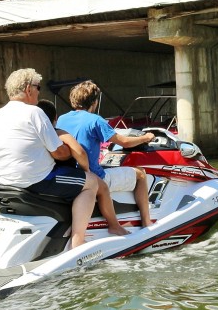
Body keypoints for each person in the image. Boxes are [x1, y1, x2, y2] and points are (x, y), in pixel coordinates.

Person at [0, 68, 100, 250]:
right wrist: (69, 148)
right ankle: (78, 240)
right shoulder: (34, 113)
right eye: (38, 87)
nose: (39, 92)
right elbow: (59, 153)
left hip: (2, 180)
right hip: (35, 181)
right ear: (27, 89)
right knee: (91, 182)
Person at [57, 80, 154, 228]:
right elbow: (125, 142)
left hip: (71, 174)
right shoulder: (95, 120)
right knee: (140, 174)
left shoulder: (62, 119)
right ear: (94, 102)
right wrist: (146, 137)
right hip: (93, 175)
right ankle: (147, 222)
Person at [37, 99, 129, 236]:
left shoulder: (33, 134)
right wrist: (86, 171)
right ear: (55, 118)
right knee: (100, 186)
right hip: (56, 176)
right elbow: (80, 153)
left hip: (38, 176)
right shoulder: (58, 133)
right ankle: (113, 226)